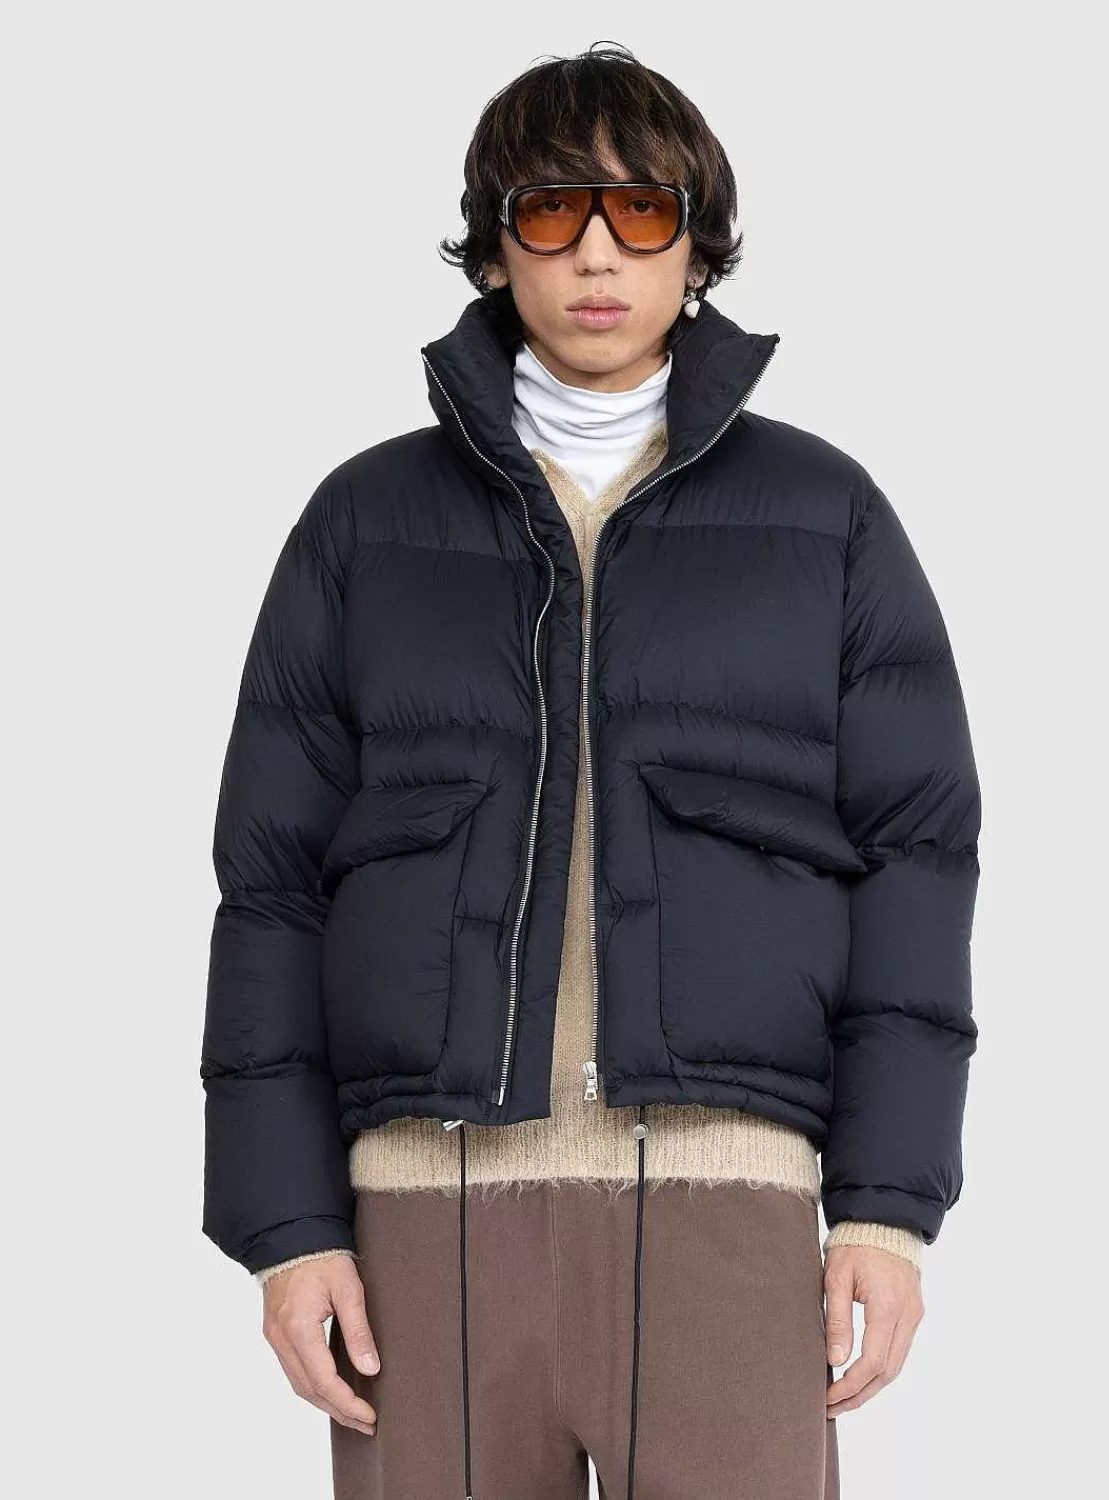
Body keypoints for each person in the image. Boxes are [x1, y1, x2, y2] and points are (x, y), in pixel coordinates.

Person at [200, 41, 982, 1500]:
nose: (600, 254)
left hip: (727, 1206)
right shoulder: (364, 524)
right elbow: (272, 890)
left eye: (644, 210)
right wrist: (287, 1227)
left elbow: (917, 870)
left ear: (700, 245)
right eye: (554, 211)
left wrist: (885, 1208)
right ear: (497, 247)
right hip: (423, 1220)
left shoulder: (828, 519)